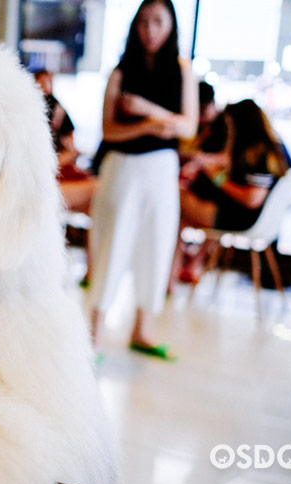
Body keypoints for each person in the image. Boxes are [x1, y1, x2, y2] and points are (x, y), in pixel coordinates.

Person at [87, 0, 198, 359]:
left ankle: (142, 329)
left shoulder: (183, 70)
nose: (150, 30)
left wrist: (148, 114)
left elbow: (187, 126)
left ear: (171, 26)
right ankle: (95, 335)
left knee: (157, 244)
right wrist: (152, 126)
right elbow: (108, 130)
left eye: (158, 22)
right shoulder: (120, 72)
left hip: (162, 169)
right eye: (144, 22)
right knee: (113, 245)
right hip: (122, 167)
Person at [174, 99, 291, 281]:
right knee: (180, 210)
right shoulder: (261, 148)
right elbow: (222, 159)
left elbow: (252, 199)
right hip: (241, 215)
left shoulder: (259, 153)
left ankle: (174, 271)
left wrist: (219, 179)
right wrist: (202, 162)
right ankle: (189, 264)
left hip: (242, 218)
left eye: (230, 124)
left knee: (175, 200)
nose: (228, 129)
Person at [34, 69, 97, 214]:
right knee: (97, 189)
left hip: (58, 167)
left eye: (47, 82)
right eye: (41, 82)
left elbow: (71, 144)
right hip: (48, 172)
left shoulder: (59, 109)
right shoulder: (31, 114)